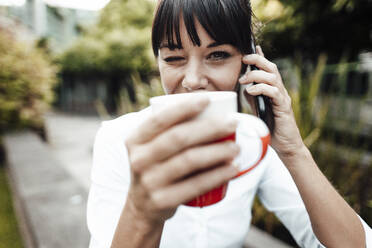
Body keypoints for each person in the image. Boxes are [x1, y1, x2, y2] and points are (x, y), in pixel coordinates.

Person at [87, 0, 372, 247]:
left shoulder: (254, 141)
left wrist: (293, 150)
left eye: (218, 55)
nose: (193, 80)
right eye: (174, 58)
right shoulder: (118, 139)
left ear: (247, 64)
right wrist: (142, 211)